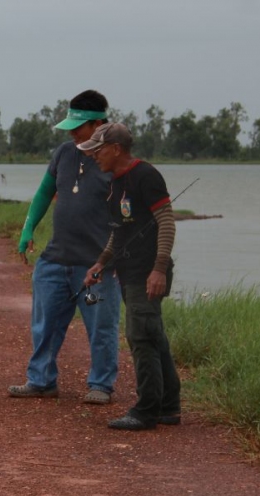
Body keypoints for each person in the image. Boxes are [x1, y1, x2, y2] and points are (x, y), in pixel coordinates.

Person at [8, 90, 121, 404]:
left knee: (101, 328)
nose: (72, 132)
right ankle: (41, 380)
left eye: (79, 126)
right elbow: (44, 193)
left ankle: (101, 385)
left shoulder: (114, 160)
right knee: (45, 324)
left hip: (97, 264)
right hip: (55, 259)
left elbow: (130, 214)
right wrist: (28, 228)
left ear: (99, 124)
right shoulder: (62, 153)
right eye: (70, 126)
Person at [78, 123, 181, 431]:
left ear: (116, 149)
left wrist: (159, 268)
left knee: (141, 338)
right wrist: (101, 263)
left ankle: (146, 410)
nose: (94, 156)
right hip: (129, 272)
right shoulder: (115, 185)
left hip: (148, 273)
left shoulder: (145, 176)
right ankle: (168, 406)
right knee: (154, 336)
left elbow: (167, 221)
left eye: (98, 150)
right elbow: (119, 232)